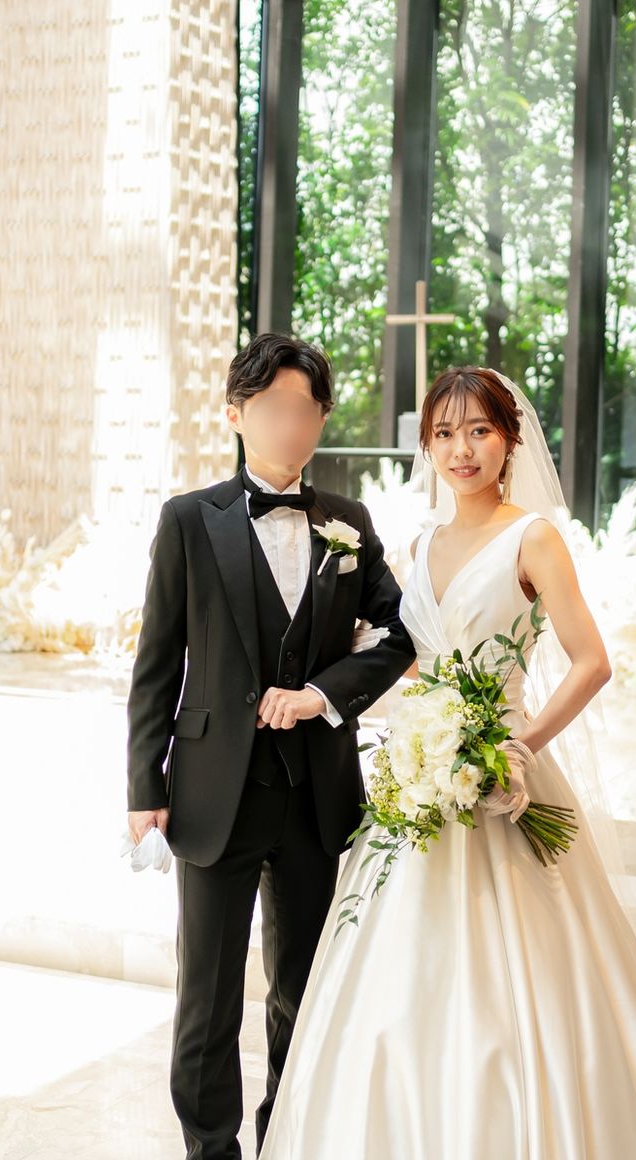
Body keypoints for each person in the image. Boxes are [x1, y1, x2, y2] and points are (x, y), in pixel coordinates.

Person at [259, 367, 636, 1159]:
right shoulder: (419, 543)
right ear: (428, 447)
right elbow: (414, 656)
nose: (462, 449)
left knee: (522, 984)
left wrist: (520, 744)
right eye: (444, 434)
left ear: (510, 439)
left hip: (504, 779)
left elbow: (592, 661)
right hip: (420, 782)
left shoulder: (533, 538)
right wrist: (347, 696)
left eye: (479, 430)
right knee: (397, 980)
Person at [125, 333, 417, 1160]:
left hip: (317, 798)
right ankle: (210, 1151)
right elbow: (157, 663)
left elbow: (400, 634)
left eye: (307, 409)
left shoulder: (349, 524)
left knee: (303, 994)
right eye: (275, 407)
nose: (293, 424)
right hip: (212, 794)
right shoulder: (190, 520)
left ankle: (286, 1140)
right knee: (207, 1000)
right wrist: (144, 786)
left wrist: (324, 694)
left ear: (322, 419)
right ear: (236, 414)